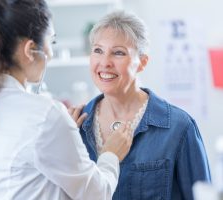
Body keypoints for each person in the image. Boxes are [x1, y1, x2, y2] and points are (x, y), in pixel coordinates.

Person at [0, 1, 133, 199]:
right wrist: (110, 154)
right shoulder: (44, 116)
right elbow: (97, 194)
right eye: (52, 42)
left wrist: (63, 138)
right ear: (30, 50)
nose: (50, 54)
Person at [79, 10, 211, 200]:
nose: (105, 62)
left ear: (142, 62)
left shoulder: (179, 127)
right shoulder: (75, 126)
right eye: (98, 50)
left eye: (118, 53)